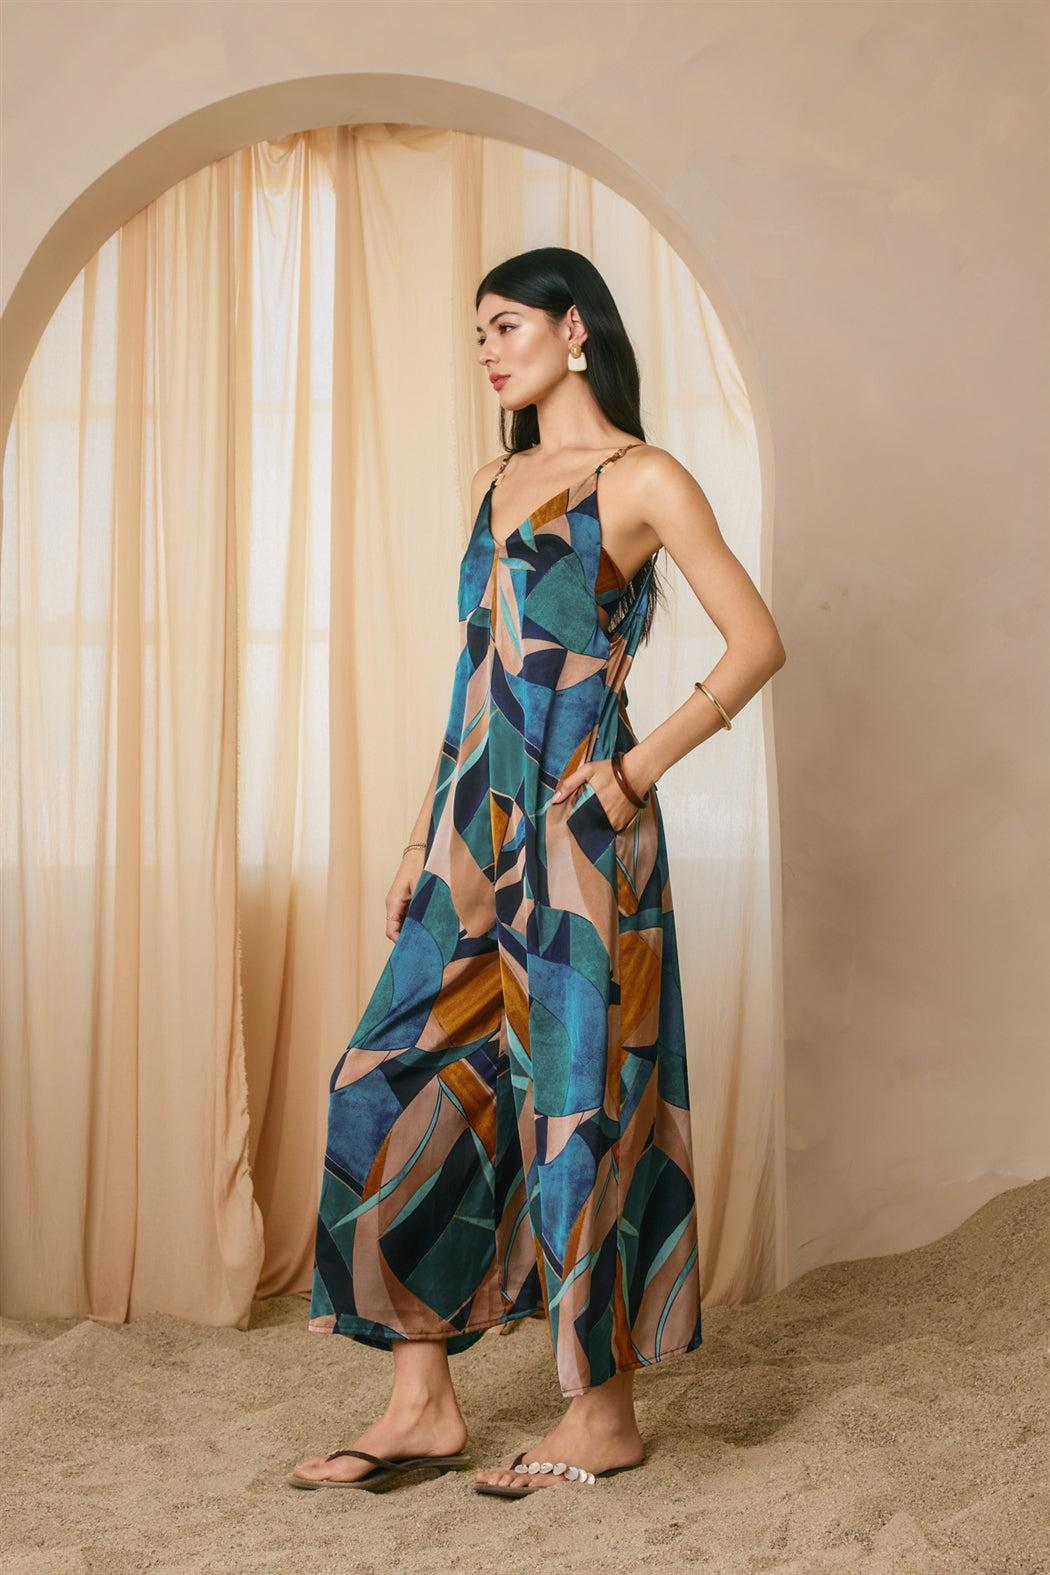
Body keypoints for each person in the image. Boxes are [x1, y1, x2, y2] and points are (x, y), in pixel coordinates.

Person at [289, 246, 786, 1498]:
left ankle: (602, 1416)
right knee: (382, 1079)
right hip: (471, 825)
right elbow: (477, 672)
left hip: (579, 832)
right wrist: (422, 833)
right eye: (478, 335)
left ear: (575, 331)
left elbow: (757, 641)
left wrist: (635, 772)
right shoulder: (495, 480)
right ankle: (421, 1404)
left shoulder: (642, 478)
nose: (489, 351)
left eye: (506, 326)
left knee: (575, 1108)